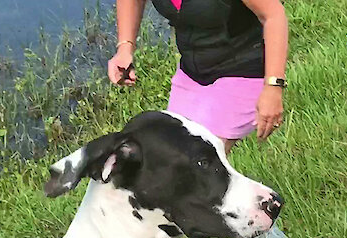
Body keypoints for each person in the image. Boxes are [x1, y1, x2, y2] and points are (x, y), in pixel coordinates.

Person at [107, 0, 288, 154]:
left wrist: (273, 87)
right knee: (170, 153)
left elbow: (273, 16)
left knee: (197, 160)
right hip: (192, 72)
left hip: (243, 67)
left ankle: (259, 196)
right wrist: (125, 47)